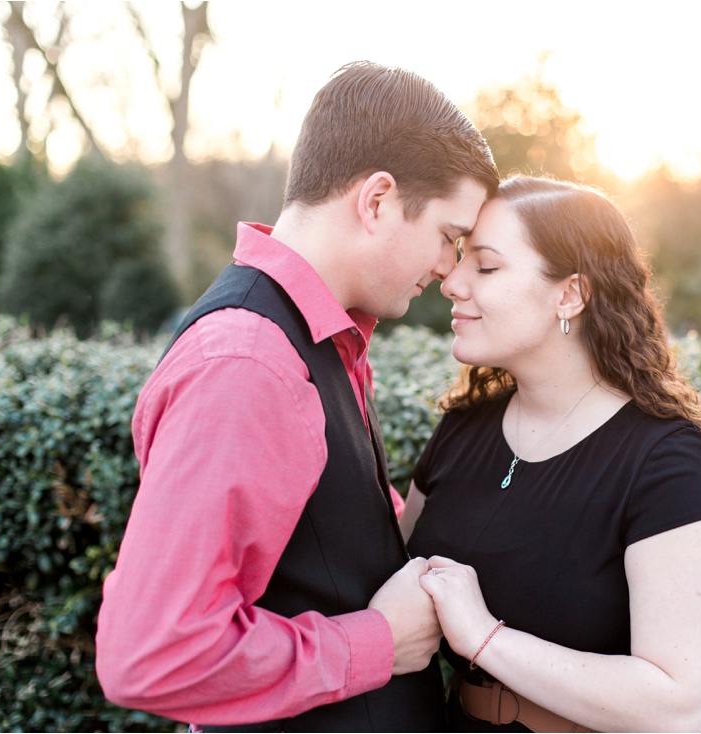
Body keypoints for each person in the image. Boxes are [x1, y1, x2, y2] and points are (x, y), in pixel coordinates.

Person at [95, 61, 498, 731]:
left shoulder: (319, 340)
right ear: (376, 201)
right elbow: (152, 654)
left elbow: (325, 549)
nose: (448, 269)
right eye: (449, 238)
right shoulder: (249, 364)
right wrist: (376, 642)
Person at [398, 176, 701, 732]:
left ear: (570, 293)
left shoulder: (670, 463)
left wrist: (485, 638)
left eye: (486, 267)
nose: (451, 282)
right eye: (459, 258)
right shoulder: (464, 427)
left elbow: (677, 706)